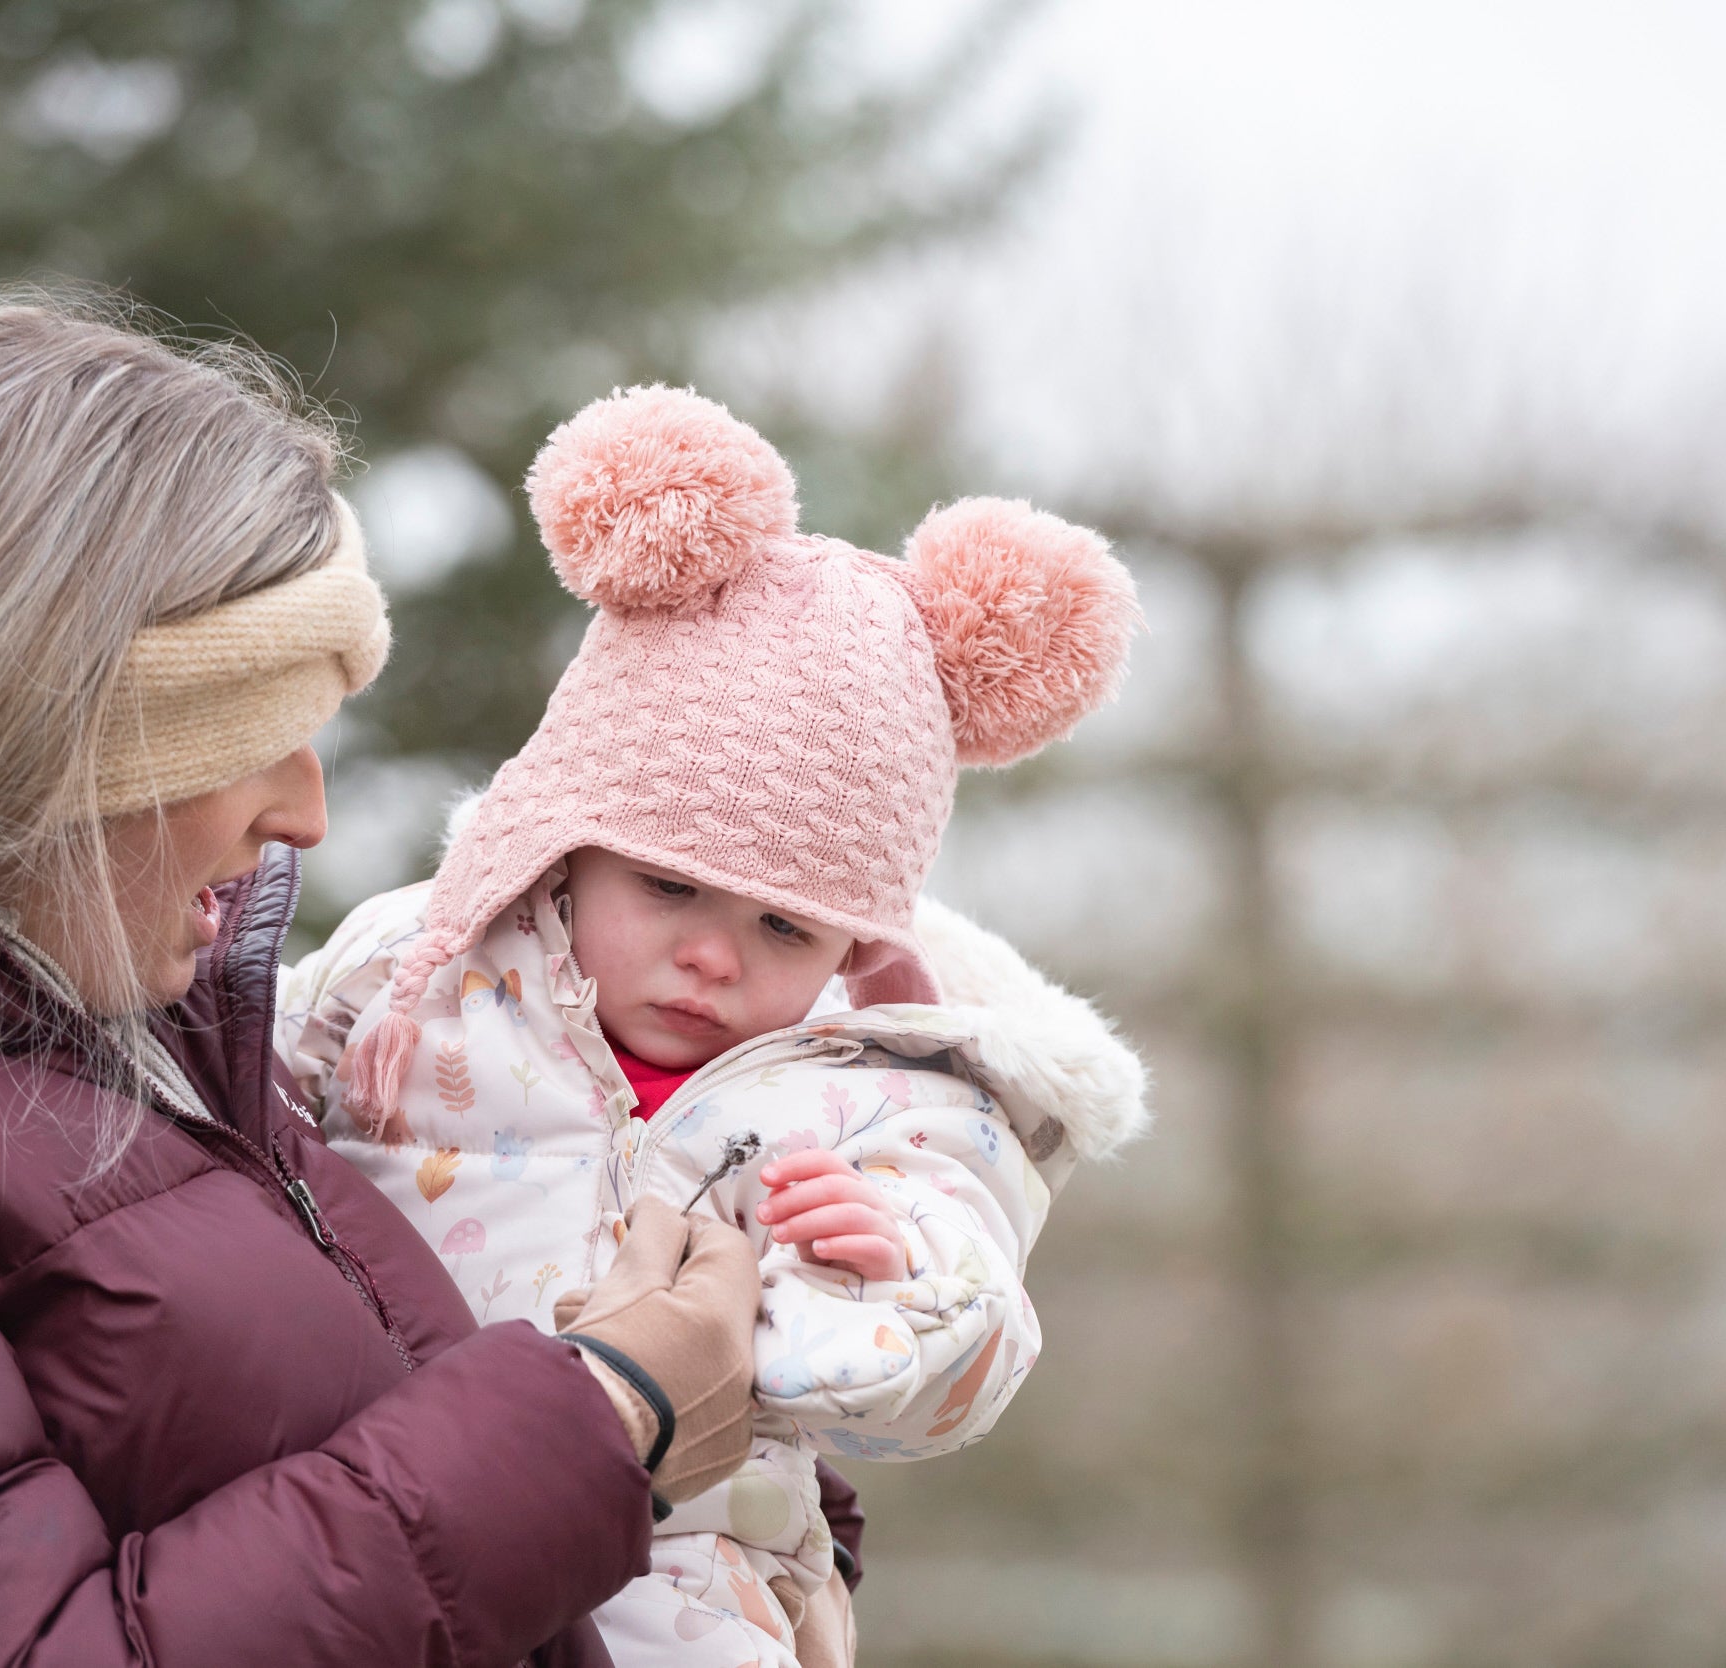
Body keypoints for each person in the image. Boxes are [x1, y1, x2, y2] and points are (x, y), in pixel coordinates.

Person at [0, 298, 768, 1667]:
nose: (306, 816)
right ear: (42, 734)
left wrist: (756, 1457)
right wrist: (603, 1422)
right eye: (253, 736)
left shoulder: (149, 1034)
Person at [278, 386, 1153, 1668]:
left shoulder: (875, 1099)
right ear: (570, 845)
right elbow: (213, 1122)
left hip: (685, 1581)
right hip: (375, 1515)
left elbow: (948, 1369)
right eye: (668, 885)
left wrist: (895, 1275)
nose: (710, 955)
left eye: (784, 931)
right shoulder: (415, 979)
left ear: (858, 946)